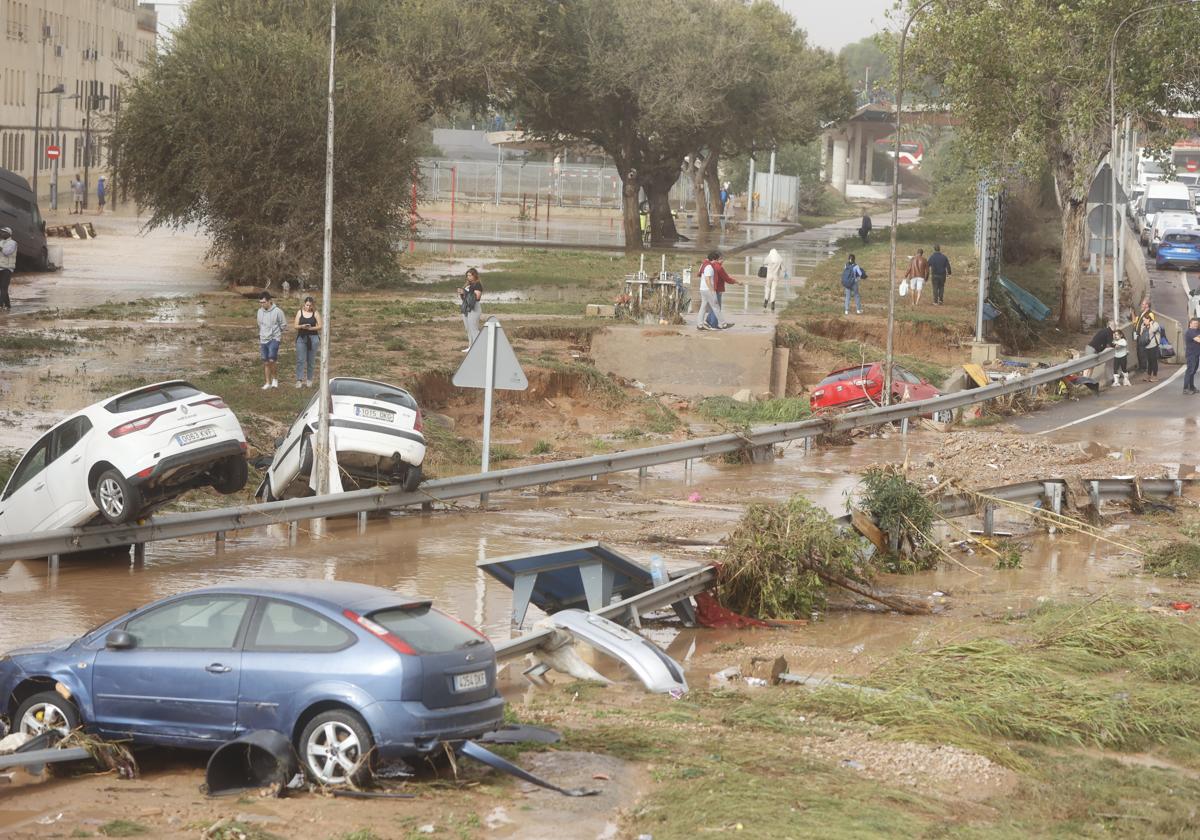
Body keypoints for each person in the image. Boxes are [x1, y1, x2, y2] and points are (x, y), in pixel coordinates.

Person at [256, 291, 286, 389]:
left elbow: (283, 324)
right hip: (263, 338)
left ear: (269, 301)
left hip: (274, 338)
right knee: (266, 362)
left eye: (264, 302)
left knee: (272, 359)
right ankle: (267, 383)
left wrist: (276, 333)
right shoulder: (259, 311)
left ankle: (275, 379)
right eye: (260, 302)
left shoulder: (278, 311)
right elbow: (259, 324)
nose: (262, 304)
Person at [697, 250, 730, 331]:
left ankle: (700, 325)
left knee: (703, 307)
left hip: (702, 289)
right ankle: (723, 324)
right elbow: (708, 279)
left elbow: (699, 274)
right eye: (717, 259)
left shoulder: (703, 264)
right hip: (708, 289)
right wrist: (712, 290)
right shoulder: (709, 266)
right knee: (716, 306)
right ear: (714, 259)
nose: (717, 261)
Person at [294, 296, 321, 388]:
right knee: (300, 360)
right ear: (304, 304)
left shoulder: (316, 313)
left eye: (310, 305)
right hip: (301, 338)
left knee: (311, 360)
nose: (308, 307)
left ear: (313, 305)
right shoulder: (299, 312)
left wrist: (311, 328)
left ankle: (309, 380)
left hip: (313, 338)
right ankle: (299, 380)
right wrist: (302, 326)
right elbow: (295, 325)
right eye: (307, 305)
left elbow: (320, 326)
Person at [459, 267, 483, 351]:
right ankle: (471, 346)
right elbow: (465, 298)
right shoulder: (468, 285)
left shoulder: (477, 284)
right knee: (468, 328)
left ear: (474, 276)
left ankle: (478, 347)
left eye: (470, 275)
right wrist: (462, 293)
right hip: (466, 307)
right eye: (467, 275)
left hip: (474, 308)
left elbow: (476, 297)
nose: (468, 277)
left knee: (474, 328)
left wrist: (465, 292)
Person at [1137, 311, 1163, 383]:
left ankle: (1155, 376)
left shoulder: (1155, 324)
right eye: (1143, 320)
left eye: (1145, 320)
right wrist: (1143, 326)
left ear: (1149, 319)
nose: (1144, 321)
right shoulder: (1144, 325)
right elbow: (1141, 333)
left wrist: (1150, 324)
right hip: (1147, 346)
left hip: (1153, 345)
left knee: (1153, 361)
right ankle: (1148, 375)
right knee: (1149, 361)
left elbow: (1153, 331)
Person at [1131, 298, 1154, 372]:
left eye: (1143, 304)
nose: (1142, 305)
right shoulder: (1141, 313)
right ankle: (1141, 367)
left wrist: (1143, 330)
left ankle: (1143, 367)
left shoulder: (1150, 314)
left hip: (1143, 335)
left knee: (1142, 352)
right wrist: (1132, 313)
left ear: (1147, 305)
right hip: (1138, 335)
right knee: (1139, 351)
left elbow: (1151, 324)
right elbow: (1135, 321)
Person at [0, 226, 16, 311]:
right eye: (1, 232)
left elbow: (6, 252)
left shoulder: (12, 243)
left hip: (7, 269)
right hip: (0, 268)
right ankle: (8, 305)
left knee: (3, 287)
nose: (1, 233)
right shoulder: (1, 242)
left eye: (3, 232)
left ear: (9, 234)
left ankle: (0, 305)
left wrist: (1, 248)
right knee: (2, 288)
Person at [1183, 317, 1200, 395]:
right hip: (1191, 354)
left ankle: (1192, 387)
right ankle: (1185, 388)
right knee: (1190, 371)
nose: (1196, 325)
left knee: (1193, 371)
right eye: (1194, 323)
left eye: (1197, 323)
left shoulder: (1196, 331)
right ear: (1190, 324)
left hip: (1196, 354)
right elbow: (1198, 340)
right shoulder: (1190, 332)